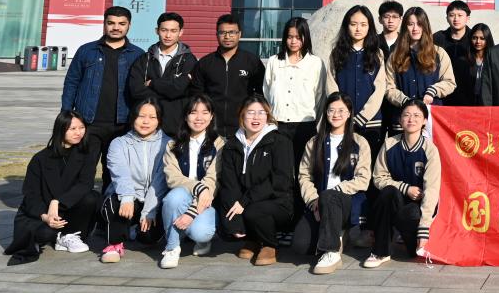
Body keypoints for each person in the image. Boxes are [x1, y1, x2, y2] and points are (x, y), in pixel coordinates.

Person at [61, 6, 144, 189]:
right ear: (104, 24)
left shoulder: (138, 54)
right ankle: (81, 204)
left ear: (129, 25)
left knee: (114, 171)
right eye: (111, 23)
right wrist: (67, 114)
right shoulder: (87, 51)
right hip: (88, 123)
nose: (116, 27)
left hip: (122, 124)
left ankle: (107, 205)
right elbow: (71, 83)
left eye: (121, 24)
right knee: (84, 170)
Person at [5, 111, 98, 265]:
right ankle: (56, 236)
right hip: (44, 211)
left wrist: (58, 201)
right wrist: (45, 216)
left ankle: (70, 235)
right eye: (72, 129)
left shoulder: (86, 154)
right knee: (44, 234)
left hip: (70, 208)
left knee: (91, 198)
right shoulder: (40, 158)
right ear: (60, 130)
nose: (78, 133)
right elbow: (31, 193)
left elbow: (85, 184)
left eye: (81, 128)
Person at [296, 92, 372, 275]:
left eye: (341, 110)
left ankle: (331, 252)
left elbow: (363, 179)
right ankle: (339, 235)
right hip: (319, 201)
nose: (336, 114)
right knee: (300, 245)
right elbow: (304, 176)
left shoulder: (359, 143)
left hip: (347, 202)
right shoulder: (314, 142)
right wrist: (313, 200)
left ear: (349, 113)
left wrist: (335, 191)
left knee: (330, 196)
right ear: (326, 113)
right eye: (331, 110)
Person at [217, 94, 295, 266]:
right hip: (247, 202)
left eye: (261, 112)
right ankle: (253, 238)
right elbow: (229, 184)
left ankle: (269, 244)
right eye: (251, 112)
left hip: (278, 202)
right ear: (242, 115)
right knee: (231, 210)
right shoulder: (231, 146)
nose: (256, 117)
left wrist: (245, 200)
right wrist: (235, 223)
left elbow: (280, 181)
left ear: (268, 116)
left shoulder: (280, 141)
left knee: (253, 210)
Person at [364, 100, 441, 268]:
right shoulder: (390, 144)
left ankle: (410, 242)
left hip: (417, 208)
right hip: (396, 201)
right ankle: (380, 251)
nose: (411, 119)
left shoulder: (430, 150)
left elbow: (432, 189)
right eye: (406, 115)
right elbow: (378, 177)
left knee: (411, 214)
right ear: (400, 120)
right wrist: (405, 188)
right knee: (388, 192)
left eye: (416, 115)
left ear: (424, 121)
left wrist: (424, 228)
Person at [99, 97, 168, 263]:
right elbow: (120, 173)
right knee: (114, 203)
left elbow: (160, 180)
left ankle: (135, 229)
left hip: (154, 200)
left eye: (152, 117)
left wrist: (149, 209)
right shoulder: (118, 143)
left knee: (148, 238)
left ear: (159, 120)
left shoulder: (168, 144)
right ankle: (114, 244)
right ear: (133, 117)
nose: (146, 121)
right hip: (129, 199)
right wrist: (127, 197)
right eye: (141, 116)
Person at [159, 95, 224, 268]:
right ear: (186, 116)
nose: (199, 117)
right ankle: (172, 247)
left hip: (207, 202)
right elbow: (173, 178)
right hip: (182, 198)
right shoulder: (173, 145)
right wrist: (198, 187)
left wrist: (191, 212)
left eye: (205, 112)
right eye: (193, 112)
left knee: (201, 232)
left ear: (211, 116)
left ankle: (201, 240)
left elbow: (212, 181)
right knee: (175, 196)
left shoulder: (219, 144)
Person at [263, 16, 328, 180]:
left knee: (303, 170)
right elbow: (266, 92)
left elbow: (320, 96)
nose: (293, 41)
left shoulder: (316, 63)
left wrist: (314, 120)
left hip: (304, 125)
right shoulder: (274, 62)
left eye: (298, 37)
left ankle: (301, 197)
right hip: (278, 125)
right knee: (279, 169)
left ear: (306, 37)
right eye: (290, 37)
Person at [189, 14, 265, 137]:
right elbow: (196, 96)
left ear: (239, 34)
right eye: (223, 32)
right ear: (217, 34)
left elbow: (260, 95)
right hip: (211, 129)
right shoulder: (205, 63)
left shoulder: (252, 62)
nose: (227, 36)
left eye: (232, 32)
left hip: (243, 129)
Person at [385, 7, 456, 137]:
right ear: (405, 27)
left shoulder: (439, 53)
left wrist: (433, 91)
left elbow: (450, 82)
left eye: (419, 24)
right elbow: (389, 88)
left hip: (431, 119)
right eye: (410, 24)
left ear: (425, 26)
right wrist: (405, 101)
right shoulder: (395, 55)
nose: (415, 28)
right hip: (403, 120)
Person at [128, 11, 197, 136]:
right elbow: (136, 90)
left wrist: (152, 83)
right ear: (157, 31)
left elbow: (179, 89)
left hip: (176, 126)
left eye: (173, 31)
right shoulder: (144, 59)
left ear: (181, 32)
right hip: (147, 125)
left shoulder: (189, 60)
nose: (168, 35)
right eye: (164, 30)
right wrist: (170, 91)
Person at [328, 5, 387, 143]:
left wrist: (363, 116)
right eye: (353, 24)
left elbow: (380, 89)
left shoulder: (377, 54)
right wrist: (341, 113)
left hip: (371, 123)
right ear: (346, 26)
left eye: (363, 25)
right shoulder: (337, 53)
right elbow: (331, 86)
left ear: (369, 27)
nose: (358, 29)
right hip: (343, 122)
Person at [451, 23, 494, 106]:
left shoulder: (494, 61)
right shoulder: (461, 61)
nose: (478, 41)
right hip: (466, 105)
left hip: (487, 105)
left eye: (482, 38)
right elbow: (458, 88)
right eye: (474, 38)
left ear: (487, 39)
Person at [433, 0, 472, 64]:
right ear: (447, 18)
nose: (456, 19)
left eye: (460, 15)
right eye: (452, 15)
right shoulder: (437, 38)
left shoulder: (474, 38)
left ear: (467, 18)